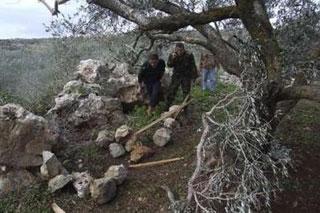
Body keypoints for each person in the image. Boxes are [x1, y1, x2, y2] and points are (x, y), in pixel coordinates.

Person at [165, 43, 198, 110]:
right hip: (176, 75)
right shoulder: (172, 54)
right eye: (177, 50)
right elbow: (169, 65)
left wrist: (194, 76)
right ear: (175, 49)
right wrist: (173, 59)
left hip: (186, 75)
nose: (179, 52)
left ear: (183, 49)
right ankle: (167, 106)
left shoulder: (189, 54)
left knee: (186, 93)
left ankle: (185, 108)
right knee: (172, 91)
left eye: (181, 50)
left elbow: (193, 66)